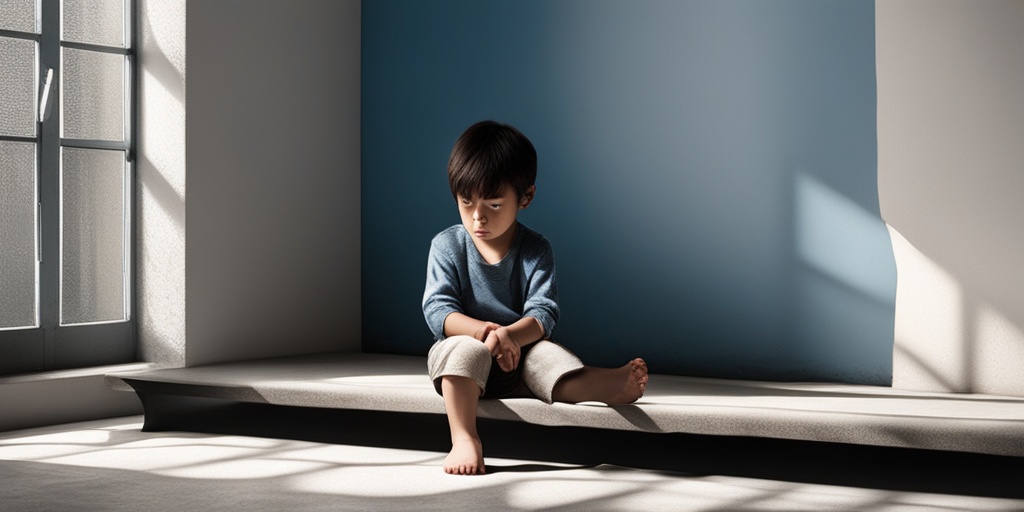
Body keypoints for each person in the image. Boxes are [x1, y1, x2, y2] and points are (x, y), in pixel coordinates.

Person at [422, 120, 649, 475]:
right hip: (465, 357)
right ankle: (464, 438)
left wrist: (511, 336)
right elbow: (439, 310)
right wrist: (485, 333)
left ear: (525, 197)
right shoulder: (447, 245)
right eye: (466, 203)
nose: (478, 216)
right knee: (460, 352)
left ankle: (608, 385)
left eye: (494, 205)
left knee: (550, 356)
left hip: (521, 360)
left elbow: (544, 312)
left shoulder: (535, 249)